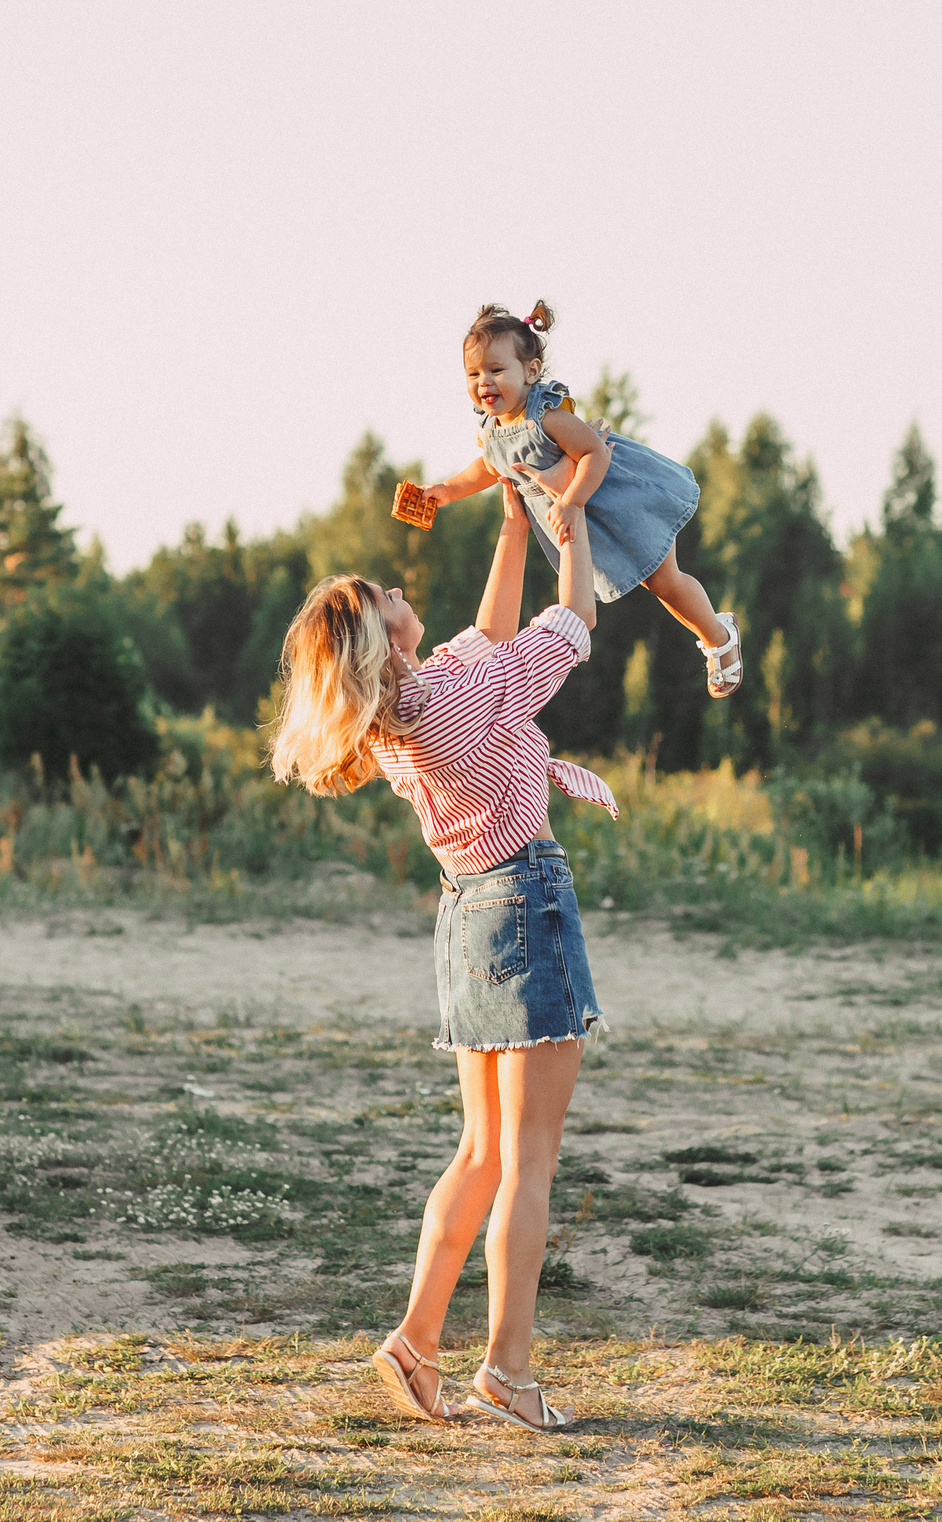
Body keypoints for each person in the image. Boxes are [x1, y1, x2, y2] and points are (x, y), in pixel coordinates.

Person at [268, 479, 614, 1431]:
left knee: (480, 1152)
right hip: (526, 898)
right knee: (529, 1162)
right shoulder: (455, 701)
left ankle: (418, 1343)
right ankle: (506, 1374)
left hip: (467, 917)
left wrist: (512, 519)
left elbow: (490, 632)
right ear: (383, 632)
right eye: (381, 589)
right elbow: (570, 620)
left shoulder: (407, 710)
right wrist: (570, 523)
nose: (394, 586)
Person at [421, 300, 742, 697]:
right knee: (659, 585)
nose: (484, 381)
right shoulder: (492, 434)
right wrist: (448, 490)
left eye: (496, 370)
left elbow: (595, 452)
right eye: (474, 373)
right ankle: (716, 633)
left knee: (666, 578)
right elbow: (487, 468)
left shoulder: (546, 416)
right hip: (584, 518)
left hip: (617, 496)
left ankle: (719, 637)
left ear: (531, 371)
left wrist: (571, 501)